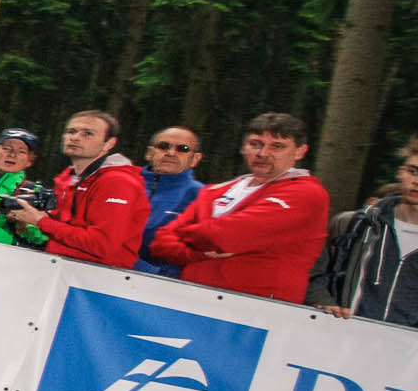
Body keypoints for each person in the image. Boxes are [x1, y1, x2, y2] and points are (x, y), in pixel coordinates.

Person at [147, 113, 330, 304]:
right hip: (190, 299)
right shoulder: (216, 190)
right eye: (255, 144)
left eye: (277, 146)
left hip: (256, 310)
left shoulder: (306, 192)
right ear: (243, 147)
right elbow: (160, 243)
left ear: (300, 152)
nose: (262, 153)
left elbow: (227, 236)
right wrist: (197, 253)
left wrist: (183, 233)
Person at [5, 110, 148, 267]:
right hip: (64, 267)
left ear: (108, 144)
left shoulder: (118, 182)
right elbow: (67, 226)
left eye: (88, 133)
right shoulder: (69, 178)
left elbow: (102, 244)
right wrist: (27, 220)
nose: (75, 137)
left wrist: (41, 221)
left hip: (101, 278)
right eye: (71, 131)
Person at [308, 138, 418, 327]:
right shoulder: (354, 224)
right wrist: (324, 303)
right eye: (413, 171)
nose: (416, 181)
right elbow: (314, 275)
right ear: (401, 172)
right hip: (339, 339)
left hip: (405, 352)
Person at [133, 126, 205, 277]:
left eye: (182, 149)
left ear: (195, 159)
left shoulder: (203, 197)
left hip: (163, 285)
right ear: (149, 153)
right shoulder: (123, 184)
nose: (171, 153)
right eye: (163, 146)